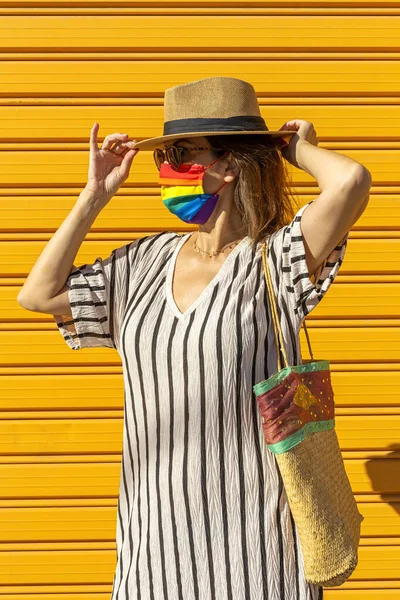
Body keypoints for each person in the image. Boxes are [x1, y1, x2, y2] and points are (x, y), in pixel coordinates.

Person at [18, 77, 371, 600]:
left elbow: (350, 183)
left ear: (229, 165)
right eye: (165, 154)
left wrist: (297, 149)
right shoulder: (141, 263)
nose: (166, 168)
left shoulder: (275, 262)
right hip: (154, 555)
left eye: (182, 153)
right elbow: (38, 294)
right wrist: (93, 197)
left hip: (260, 557)